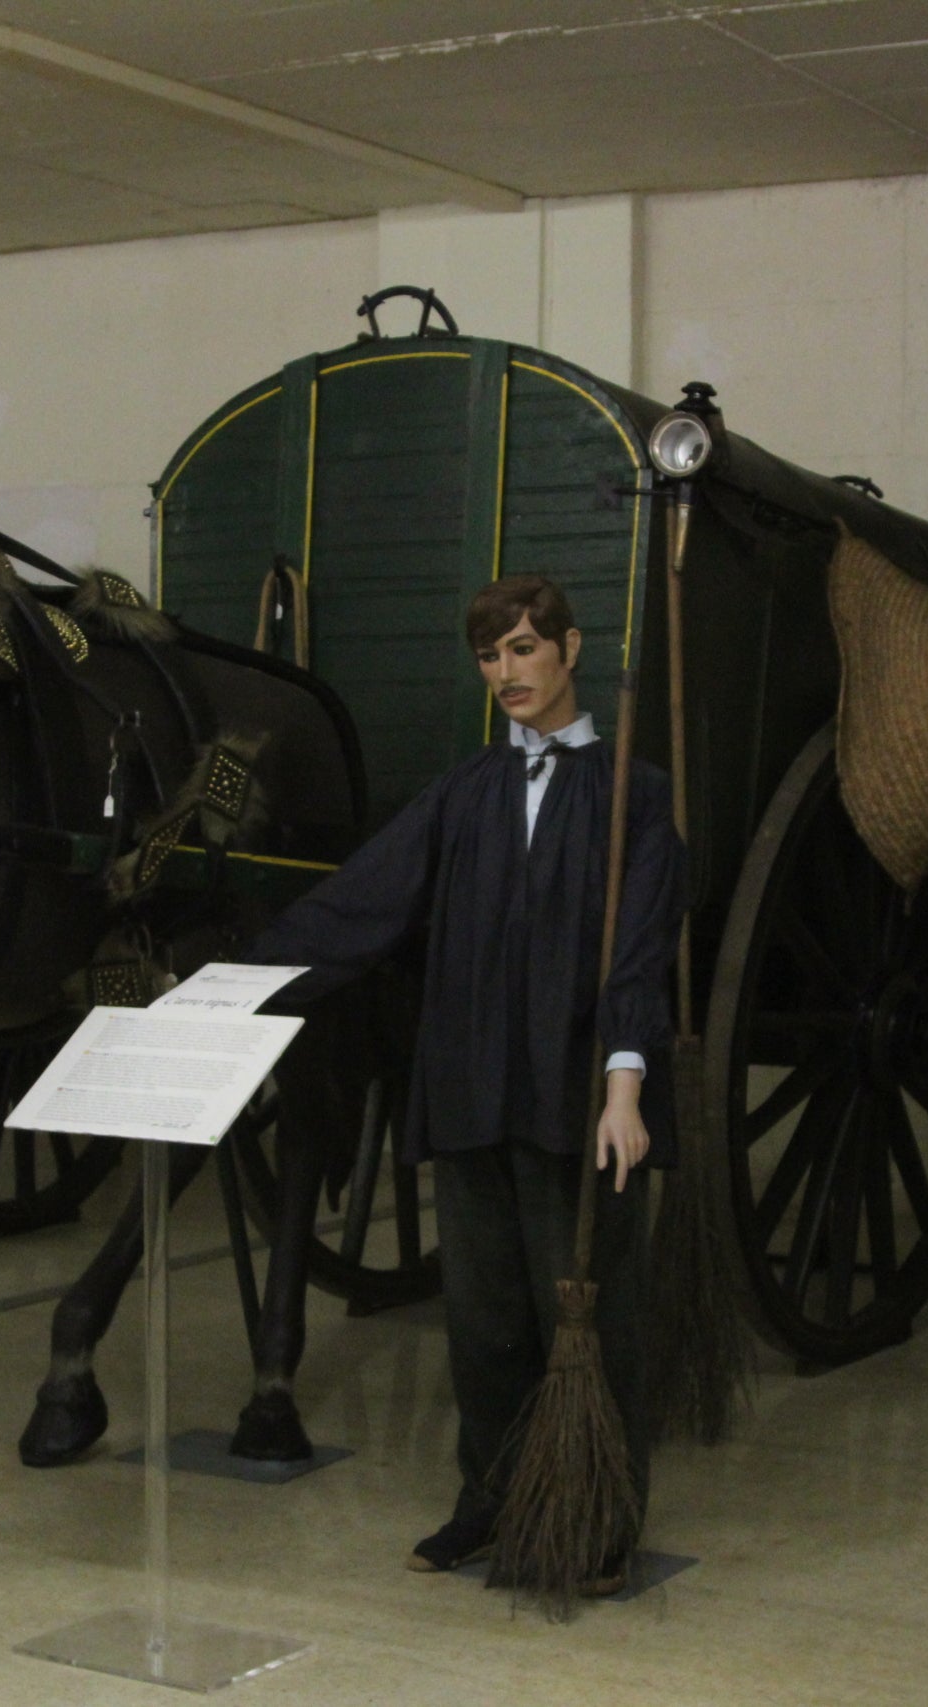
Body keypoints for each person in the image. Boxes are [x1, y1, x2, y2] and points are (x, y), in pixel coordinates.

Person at [246, 574, 685, 1581]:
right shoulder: (462, 793)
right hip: (474, 1085)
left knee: (589, 1316)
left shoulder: (635, 793)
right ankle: (486, 1500)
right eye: (490, 656)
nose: (506, 672)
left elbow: (640, 949)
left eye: (524, 648)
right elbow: (361, 904)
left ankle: (598, 1514)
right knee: (483, 1320)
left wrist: (624, 1086)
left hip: (577, 1094)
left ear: (570, 649)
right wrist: (234, 985)